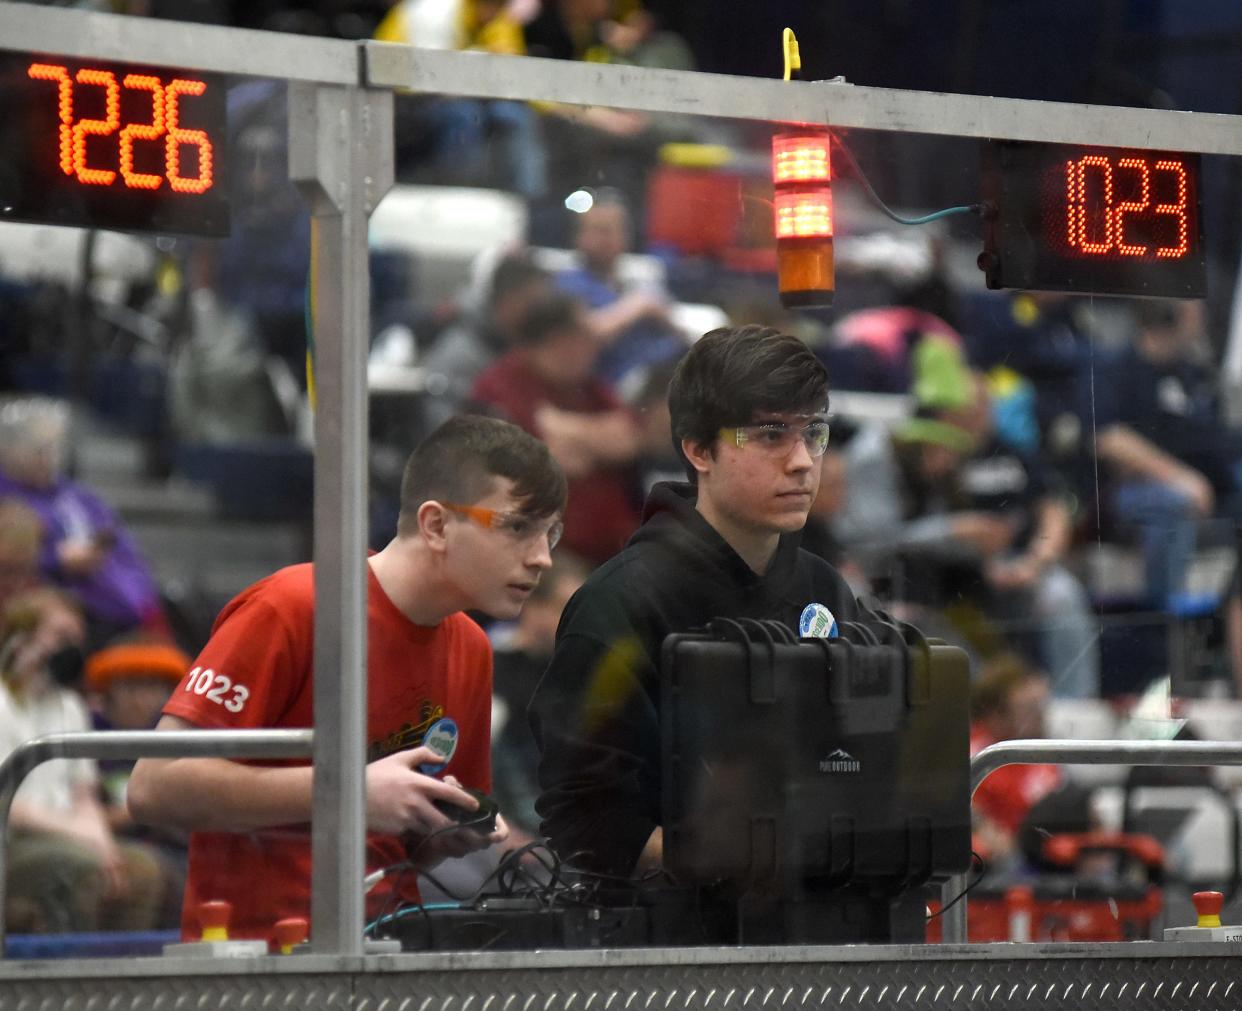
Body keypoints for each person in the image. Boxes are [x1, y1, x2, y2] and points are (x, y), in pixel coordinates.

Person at [127, 415, 567, 944]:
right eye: (518, 527)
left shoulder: (471, 648)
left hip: (391, 946)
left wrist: (440, 829)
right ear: (436, 525)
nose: (542, 557)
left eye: (551, 533)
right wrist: (346, 792)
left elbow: (406, 846)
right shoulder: (293, 607)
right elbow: (153, 786)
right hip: (257, 954)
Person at [529, 325, 867, 877]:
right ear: (698, 449)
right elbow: (585, 820)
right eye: (770, 435)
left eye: (815, 433)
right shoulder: (621, 605)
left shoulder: (823, 591)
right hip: (675, 942)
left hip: (822, 919)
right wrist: (736, 863)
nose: (803, 461)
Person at [0, 589, 165, 933]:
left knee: (145, 870)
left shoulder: (69, 706)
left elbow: (84, 795)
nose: (72, 648)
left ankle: (122, 981)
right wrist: (84, 840)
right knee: (82, 867)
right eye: (61, 636)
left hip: (65, 834)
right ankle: (65, 977)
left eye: (76, 638)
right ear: (20, 638)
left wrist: (103, 843)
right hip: (12, 838)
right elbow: (9, 804)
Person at [470, 291, 641, 564]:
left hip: (616, 551)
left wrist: (565, 427)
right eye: (579, 339)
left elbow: (628, 439)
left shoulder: (588, 386)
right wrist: (593, 443)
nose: (590, 348)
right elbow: (535, 464)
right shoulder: (501, 384)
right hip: (540, 554)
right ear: (554, 340)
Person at [0, 397, 168, 649]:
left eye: (53, 448)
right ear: (8, 449)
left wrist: (142, 597)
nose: (48, 457)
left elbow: (126, 552)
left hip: (121, 610)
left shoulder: (82, 498)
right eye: (37, 449)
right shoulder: (7, 499)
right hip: (55, 612)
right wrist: (56, 559)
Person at [555, 193, 686, 385]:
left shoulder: (637, 282)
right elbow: (582, 337)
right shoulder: (566, 285)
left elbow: (680, 332)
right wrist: (638, 307)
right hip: (617, 385)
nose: (606, 239)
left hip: (667, 372)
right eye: (599, 230)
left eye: (613, 230)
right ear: (579, 236)